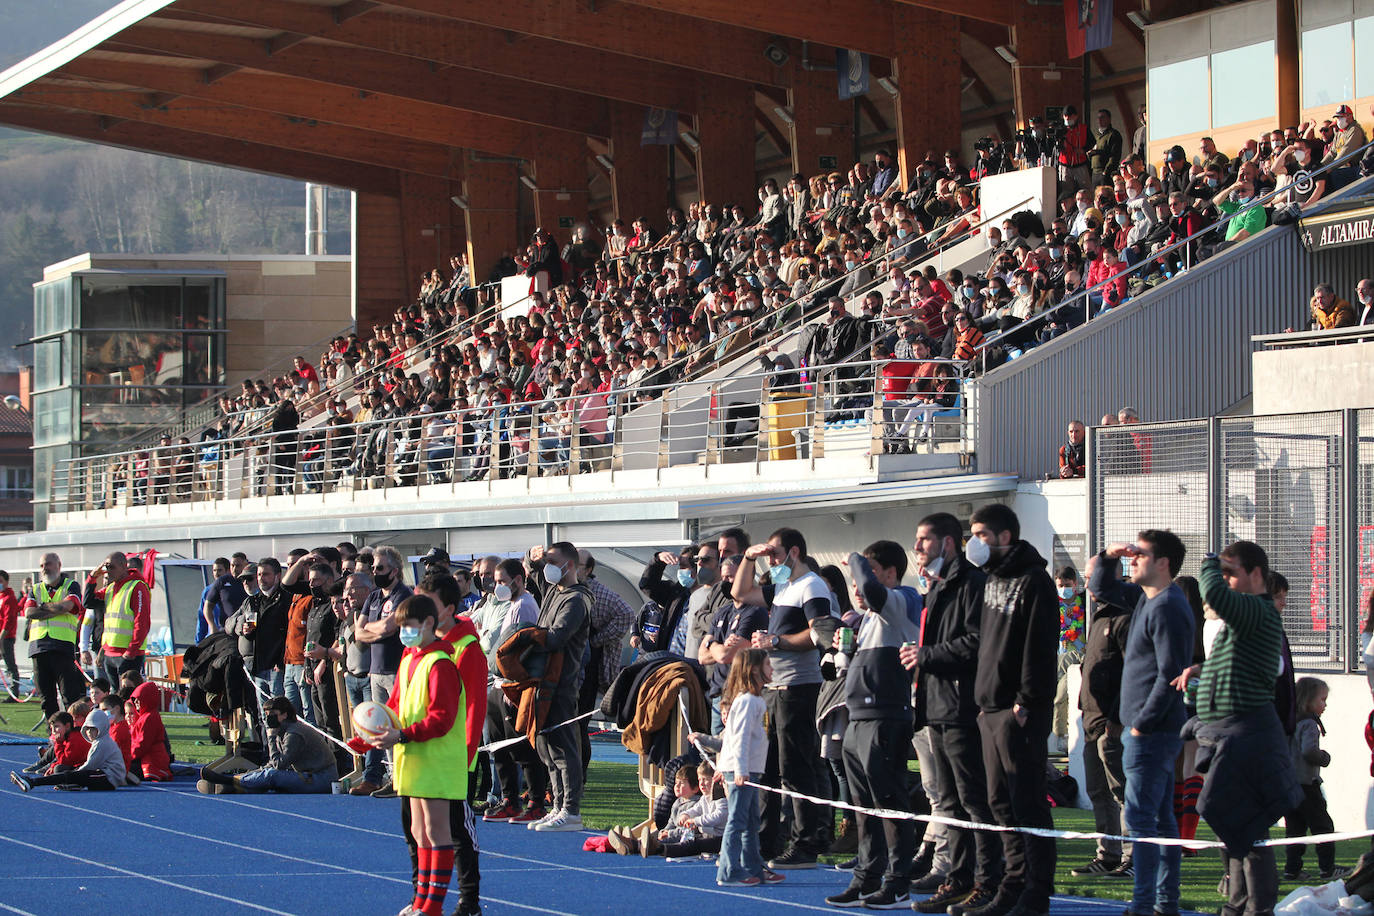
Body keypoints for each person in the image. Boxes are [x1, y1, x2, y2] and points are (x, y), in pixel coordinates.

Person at [1187, 541, 1302, 916]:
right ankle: (1237, 906)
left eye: (1231, 572)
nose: (1223, 580)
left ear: (1256, 575)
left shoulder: (1257, 609)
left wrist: (1208, 565)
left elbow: (1214, 594)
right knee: (1233, 827)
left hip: (1250, 737)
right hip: (1234, 734)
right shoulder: (1244, 620)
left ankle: (1257, 909)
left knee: (1249, 831)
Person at [956, 503, 1058, 916]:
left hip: (1018, 712)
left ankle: (1036, 891)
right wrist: (984, 704)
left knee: (1028, 801)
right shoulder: (990, 580)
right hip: (990, 708)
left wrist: (1025, 703)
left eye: (982, 535)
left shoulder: (1035, 581)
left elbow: (1040, 647)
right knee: (999, 802)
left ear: (1004, 537)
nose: (975, 543)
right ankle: (1012, 885)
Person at [901, 512, 1002, 914]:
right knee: (951, 801)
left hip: (962, 708)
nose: (918, 548)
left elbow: (978, 642)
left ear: (947, 543)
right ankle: (957, 878)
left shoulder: (973, 583)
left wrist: (926, 656)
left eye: (924, 540)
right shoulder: (938, 586)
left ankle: (987, 881)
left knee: (974, 800)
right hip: (936, 708)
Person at [1093, 531, 1194, 916]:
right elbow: (1100, 586)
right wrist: (1109, 554)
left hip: (1151, 732)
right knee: (1161, 818)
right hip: (1150, 729)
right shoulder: (1145, 600)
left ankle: (1144, 903)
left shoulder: (1168, 606)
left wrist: (1141, 725)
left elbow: (1171, 674)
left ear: (1164, 562)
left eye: (1140, 554)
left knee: (1140, 818)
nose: (1132, 560)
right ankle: (1163, 903)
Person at [359, 596, 471, 916]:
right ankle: (421, 900)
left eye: (409, 625)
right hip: (413, 757)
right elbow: (394, 707)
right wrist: (368, 735)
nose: (404, 632)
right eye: (401, 626)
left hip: (436, 759)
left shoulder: (440, 664)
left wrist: (402, 735)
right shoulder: (410, 659)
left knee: (437, 833)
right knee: (420, 833)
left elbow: (442, 717)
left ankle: (432, 907)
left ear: (428, 624)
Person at [824, 543, 920, 909]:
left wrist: (857, 560)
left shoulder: (904, 599)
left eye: (866, 573)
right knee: (863, 806)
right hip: (857, 718)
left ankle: (898, 882)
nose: (857, 587)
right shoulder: (865, 621)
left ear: (891, 573)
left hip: (886, 717)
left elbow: (875, 592)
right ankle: (866, 878)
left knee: (889, 802)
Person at [735, 527, 836, 870]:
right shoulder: (783, 586)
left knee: (796, 767)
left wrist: (776, 642)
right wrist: (750, 556)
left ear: (794, 552)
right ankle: (766, 842)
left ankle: (805, 844)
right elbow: (740, 591)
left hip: (799, 686)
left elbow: (819, 631)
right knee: (769, 769)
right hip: (775, 687)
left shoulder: (812, 585)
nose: (771, 561)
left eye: (775, 554)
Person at [1071, 553, 1134, 880]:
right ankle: (1107, 855)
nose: (1085, 583)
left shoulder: (1123, 616)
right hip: (1091, 720)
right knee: (1098, 791)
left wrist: (1116, 720)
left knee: (1122, 792)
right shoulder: (1097, 617)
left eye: (1090, 575)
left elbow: (1129, 673)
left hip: (1112, 724)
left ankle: (1131, 857)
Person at [698, 648, 780, 888]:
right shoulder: (747, 701)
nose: (772, 669)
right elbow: (740, 738)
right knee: (737, 820)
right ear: (754, 670)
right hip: (740, 771)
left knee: (752, 821)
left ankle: (754, 868)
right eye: (767, 664)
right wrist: (742, 770)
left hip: (748, 770)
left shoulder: (754, 699)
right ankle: (728, 870)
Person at [524, 542, 591, 832]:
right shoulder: (554, 590)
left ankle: (571, 810)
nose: (548, 566)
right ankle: (557, 805)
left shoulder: (577, 599)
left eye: (554, 561)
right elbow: (532, 572)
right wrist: (533, 557)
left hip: (563, 683)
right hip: (542, 682)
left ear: (571, 565)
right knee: (546, 750)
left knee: (564, 750)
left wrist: (525, 638)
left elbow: (556, 637)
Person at [351, 545, 410, 797]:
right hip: (375, 671)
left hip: (396, 669)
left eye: (381, 568)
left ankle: (404, 778)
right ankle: (393, 778)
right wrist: (376, 630)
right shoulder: (375, 596)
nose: (375, 572)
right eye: (374, 568)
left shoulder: (402, 594)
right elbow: (358, 632)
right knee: (381, 727)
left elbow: (390, 627)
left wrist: (373, 630)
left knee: (399, 725)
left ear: (395, 570)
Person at [1282, 677, 1350, 881]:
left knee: (1295, 829)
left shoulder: (1289, 722)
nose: (1325, 705)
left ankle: (1292, 869)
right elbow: (1309, 751)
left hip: (1289, 785)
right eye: (1322, 700)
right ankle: (1327, 867)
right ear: (1308, 701)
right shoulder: (1310, 724)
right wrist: (1324, 757)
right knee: (1323, 826)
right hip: (1307, 785)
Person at [199, 695, 335, 794]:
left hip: (320, 778)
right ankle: (234, 786)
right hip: (307, 775)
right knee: (266, 773)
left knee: (272, 775)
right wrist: (253, 773)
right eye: (266, 714)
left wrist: (271, 737)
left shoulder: (294, 733)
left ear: (285, 715)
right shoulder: (283, 730)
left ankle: (229, 781)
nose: (269, 718)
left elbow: (279, 765)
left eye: (273, 714)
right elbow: (272, 763)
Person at [22, 552, 86, 719]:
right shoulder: (36, 588)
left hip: (62, 646)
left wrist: (42, 607)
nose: (45, 569)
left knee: (69, 697)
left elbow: (69, 605)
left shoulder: (71, 585)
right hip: (38, 648)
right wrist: (56, 609)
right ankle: (54, 738)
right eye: (42, 565)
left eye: (48, 564)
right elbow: (29, 612)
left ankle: (73, 736)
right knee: (46, 699)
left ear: (58, 565)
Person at [11, 707, 126, 792]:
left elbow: (89, 766)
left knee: (70, 774)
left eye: (93, 729)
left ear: (101, 727)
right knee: (68, 773)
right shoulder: (98, 742)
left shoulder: (103, 743)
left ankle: (32, 782)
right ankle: (70, 784)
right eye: (87, 729)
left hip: (109, 778)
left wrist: (72, 774)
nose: (89, 732)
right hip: (102, 774)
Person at [225, 558, 291, 702]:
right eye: (259, 575)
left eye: (266, 574)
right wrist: (246, 630)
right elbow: (229, 625)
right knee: (263, 713)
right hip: (258, 665)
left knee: (278, 711)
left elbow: (287, 633)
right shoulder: (253, 601)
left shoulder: (286, 599)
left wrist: (280, 661)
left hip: (277, 667)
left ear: (278, 576)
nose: (261, 579)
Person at [95, 552, 152, 684]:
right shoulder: (110, 588)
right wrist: (93, 576)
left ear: (123, 566)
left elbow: (142, 622)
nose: (108, 571)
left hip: (128, 654)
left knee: (127, 696)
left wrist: (131, 651)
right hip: (110, 652)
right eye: (106, 568)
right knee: (114, 696)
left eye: (111, 567)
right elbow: (87, 601)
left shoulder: (137, 587)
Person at [128, 680, 172, 781]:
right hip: (147, 757)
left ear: (147, 699)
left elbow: (143, 744)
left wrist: (128, 756)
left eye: (138, 699)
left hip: (152, 760)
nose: (135, 702)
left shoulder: (149, 717)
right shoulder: (145, 716)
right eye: (134, 700)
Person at [0, 570, 21, 686]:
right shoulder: (1, 597)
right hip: (2, 636)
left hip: (6, 636)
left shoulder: (9, 598)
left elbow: (9, 619)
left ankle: (14, 690)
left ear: (6, 582)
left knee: (10, 663)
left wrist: (1, 636)